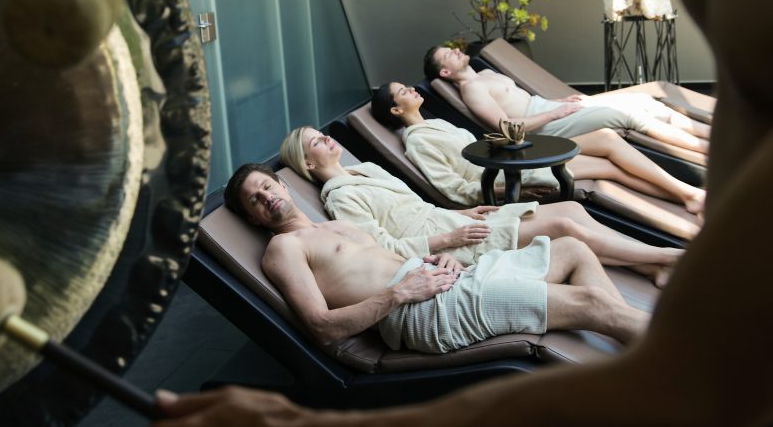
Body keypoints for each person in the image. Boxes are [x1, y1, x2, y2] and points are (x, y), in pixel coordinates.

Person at [124, 0, 773, 427]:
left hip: (441, 270)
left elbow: (692, 393)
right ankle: (626, 304)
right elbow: (327, 321)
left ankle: (625, 308)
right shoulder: (307, 226)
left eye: (266, 183)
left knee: (603, 250)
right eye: (262, 191)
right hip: (428, 287)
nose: (268, 191)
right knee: (594, 234)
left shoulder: (334, 202)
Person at [223, 162, 647, 355]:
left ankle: (634, 343)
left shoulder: (336, 229)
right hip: (423, 312)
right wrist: (398, 294)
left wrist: (442, 262)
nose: (266, 198)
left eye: (267, 187)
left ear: (283, 185)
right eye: (255, 201)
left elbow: (393, 257)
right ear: (253, 218)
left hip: (440, 282)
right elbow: (321, 329)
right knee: (589, 305)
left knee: (573, 249)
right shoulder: (284, 249)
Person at [280, 125, 680, 287]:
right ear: (309, 163)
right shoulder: (341, 197)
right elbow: (382, 246)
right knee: (565, 229)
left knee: (573, 210)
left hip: (456, 222)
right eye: (317, 142)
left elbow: (416, 204)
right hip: (453, 245)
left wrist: (463, 214)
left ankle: (650, 267)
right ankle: (668, 256)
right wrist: (449, 235)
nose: (328, 140)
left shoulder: (363, 170)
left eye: (323, 135)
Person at [372, 81, 707, 215]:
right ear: (396, 110)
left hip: (517, 157)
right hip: (516, 174)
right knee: (608, 167)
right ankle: (688, 195)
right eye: (402, 91)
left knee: (607, 139)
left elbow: (476, 148)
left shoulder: (435, 125)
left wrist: (505, 144)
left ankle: (687, 193)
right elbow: (454, 189)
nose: (411, 89)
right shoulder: (417, 141)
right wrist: (512, 186)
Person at [424, 45, 710, 155]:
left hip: (548, 109)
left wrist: (558, 102)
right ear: (445, 71)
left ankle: (713, 137)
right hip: (546, 127)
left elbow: (522, 99)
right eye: (447, 54)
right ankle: (704, 152)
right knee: (631, 116)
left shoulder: (484, 73)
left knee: (647, 102)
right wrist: (555, 114)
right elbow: (509, 128)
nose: (455, 50)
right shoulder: (472, 90)